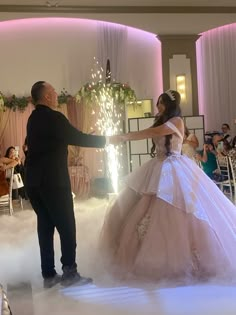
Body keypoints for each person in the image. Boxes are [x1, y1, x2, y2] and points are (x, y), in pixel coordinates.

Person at [102, 90, 236, 284]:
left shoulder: (177, 122)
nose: (158, 107)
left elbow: (155, 133)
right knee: (136, 209)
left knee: (177, 211)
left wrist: (123, 137)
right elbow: (155, 133)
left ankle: (183, 262)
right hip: (156, 167)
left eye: (161, 103)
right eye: (158, 103)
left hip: (174, 169)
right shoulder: (161, 120)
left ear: (170, 105)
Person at [25, 81, 106, 288]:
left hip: (34, 181)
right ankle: (69, 272)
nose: (55, 93)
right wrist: (105, 140)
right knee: (67, 226)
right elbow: (77, 137)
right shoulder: (54, 118)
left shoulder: (33, 119)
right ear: (46, 97)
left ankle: (49, 275)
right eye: (52, 91)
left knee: (45, 226)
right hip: (53, 181)